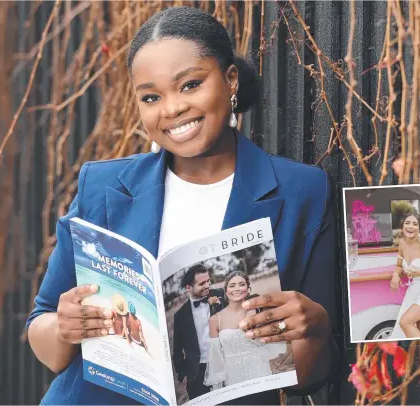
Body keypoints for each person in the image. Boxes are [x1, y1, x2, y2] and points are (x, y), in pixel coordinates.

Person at [26, 6, 338, 405]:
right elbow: (45, 338)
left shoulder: (302, 191)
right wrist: (64, 328)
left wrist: (313, 326)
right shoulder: (101, 187)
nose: (171, 108)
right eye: (152, 96)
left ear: (230, 80)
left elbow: (311, 376)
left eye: (190, 85)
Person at [204, 271, 294, 389]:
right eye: (232, 286)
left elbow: (273, 337)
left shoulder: (258, 312)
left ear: (248, 288)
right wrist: (218, 390)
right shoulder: (214, 320)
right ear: (226, 291)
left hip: (261, 372)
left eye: (242, 284)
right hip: (234, 379)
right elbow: (216, 359)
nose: (237, 288)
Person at [173, 264, 224, 399]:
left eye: (208, 281)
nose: (208, 285)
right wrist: (183, 374)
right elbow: (177, 350)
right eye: (202, 283)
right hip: (197, 373)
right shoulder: (180, 316)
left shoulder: (221, 295)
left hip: (224, 363)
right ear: (189, 288)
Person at [390, 213, 420, 339]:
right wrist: (396, 274)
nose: (411, 226)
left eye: (415, 224)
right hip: (415, 289)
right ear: (402, 226)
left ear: (419, 229)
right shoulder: (402, 243)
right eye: (407, 223)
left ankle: (416, 354)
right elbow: (399, 265)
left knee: (405, 322)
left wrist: (419, 273)